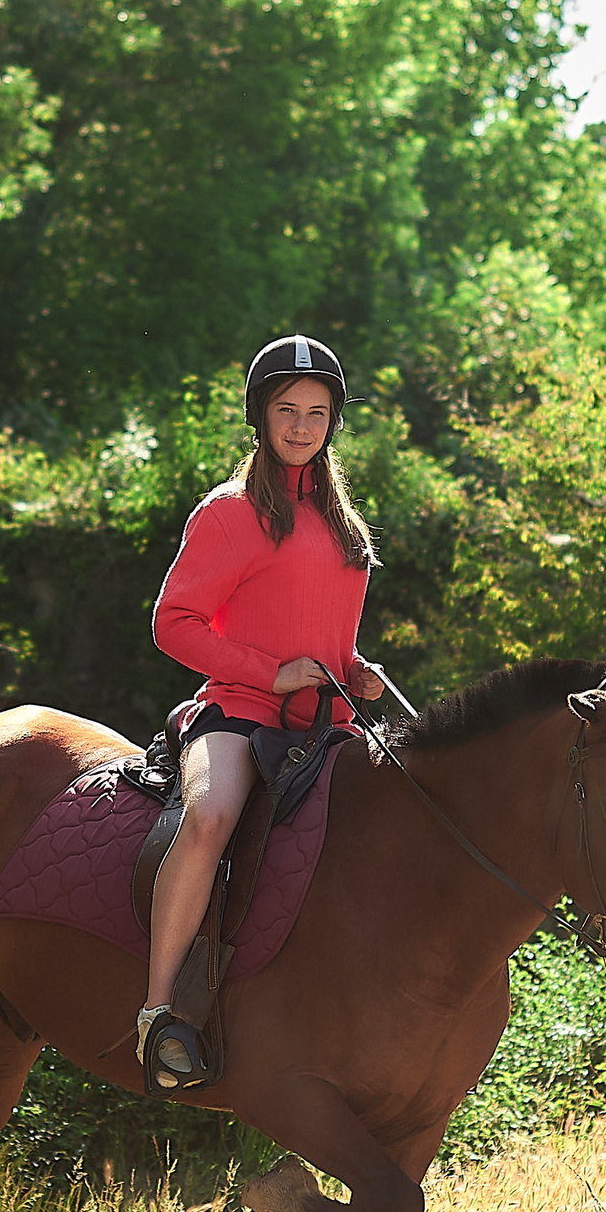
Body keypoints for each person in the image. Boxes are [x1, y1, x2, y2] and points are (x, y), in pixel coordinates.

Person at [137, 334, 385, 1092]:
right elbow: (174, 622)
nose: (303, 425)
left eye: (317, 412)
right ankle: (157, 1013)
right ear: (261, 415)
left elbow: (320, 624)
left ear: (333, 422)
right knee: (210, 815)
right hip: (240, 714)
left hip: (327, 726)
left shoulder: (341, 519)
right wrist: (270, 674)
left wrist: (353, 668)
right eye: (288, 410)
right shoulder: (230, 512)